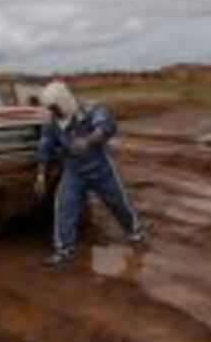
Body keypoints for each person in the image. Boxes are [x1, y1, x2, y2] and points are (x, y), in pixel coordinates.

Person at [35, 81, 144, 267]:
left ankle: (135, 233)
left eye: (54, 107)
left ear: (64, 101)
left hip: (100, 167)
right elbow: (45, 148)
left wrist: (89, 140)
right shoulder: (52, 124)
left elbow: (106, 126)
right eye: (50, 108)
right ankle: (64, 252)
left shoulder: (92, 109)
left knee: (117, 201)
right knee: (64, 207)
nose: (52, 112)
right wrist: (40, 176)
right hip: (74, 171)